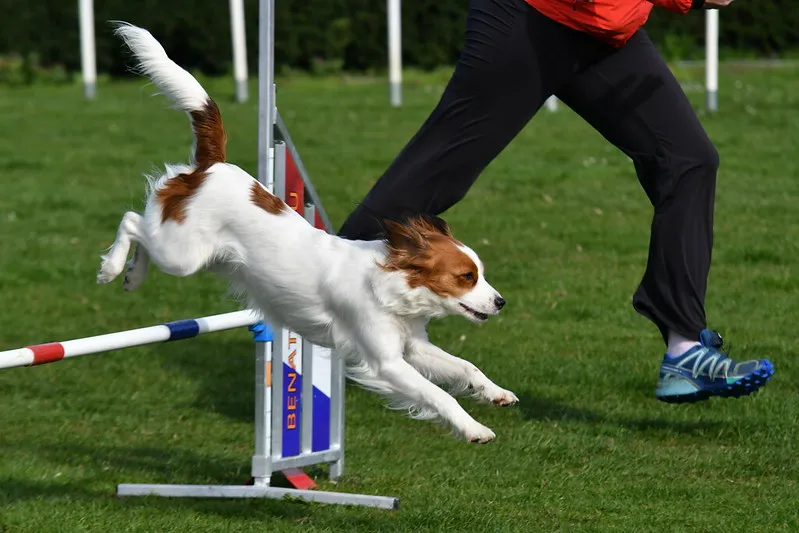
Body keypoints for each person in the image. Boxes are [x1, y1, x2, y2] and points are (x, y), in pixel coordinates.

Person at [336, 0, 775, 403]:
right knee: (431, 181)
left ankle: (685, 350)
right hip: (527, 20)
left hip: (606, 30)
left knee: (689, 159)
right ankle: (317, 287)